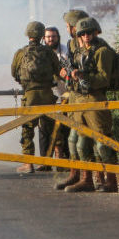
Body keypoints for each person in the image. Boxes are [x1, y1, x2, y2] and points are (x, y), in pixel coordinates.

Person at [63, 17, 118, 193]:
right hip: (78, 99)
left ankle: (111, 180)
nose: (86, 36)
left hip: (94, 99)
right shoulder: (78, 52)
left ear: (96, 32)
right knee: (81, 143)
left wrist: (84, 76)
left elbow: (103, 79)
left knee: (102, 142)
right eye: (82, 33)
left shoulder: (102, 52)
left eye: (89, 32)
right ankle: (87, 180)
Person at [11, 21, 61, 174]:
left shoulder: (21, 53)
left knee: (27, 129)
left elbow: (14, 72)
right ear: (41, 35)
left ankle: (29, 163)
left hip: (30, 95)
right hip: (47, 94)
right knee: (53, 127)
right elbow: (58, 70)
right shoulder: (49, 52)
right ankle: (59, 159)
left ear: (28, 34)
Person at [54, 9, 89, 190]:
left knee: (90, 140)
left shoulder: (90, 44)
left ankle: (92, 178)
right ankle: (75, 175)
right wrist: (66, 73)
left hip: (89, 97)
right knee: (73, 139)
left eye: (68, 26)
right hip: (75, 95)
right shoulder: (73, 44)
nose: (67, 29)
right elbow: (72, 66)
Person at [44, 26, 72, 164]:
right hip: (49, 94)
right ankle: (48, 160)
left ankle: (65, 157)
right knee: (48, 128)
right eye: (48, 37)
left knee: (66, 126)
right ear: (44, 38)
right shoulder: (42, 52)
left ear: (58, 37)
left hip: (65, 94)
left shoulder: (65, 50)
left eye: (53, 36)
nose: (51, 39)